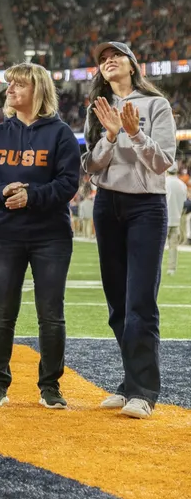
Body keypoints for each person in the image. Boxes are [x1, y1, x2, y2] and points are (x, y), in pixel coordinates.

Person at [0, 63, 80, 409]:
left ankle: (50, 386)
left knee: (51, 314)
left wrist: (32, 195)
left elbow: (68, 183)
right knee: (1, 313)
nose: (9, 91)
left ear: (38, 90)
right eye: (9, 86)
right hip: (5, 234)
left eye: (18, 85)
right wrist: (3, 192)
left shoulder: (61, 134)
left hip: (51, 236)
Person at [84, 41, 176, 419]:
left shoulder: (157, 105)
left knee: (140, 300)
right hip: (107, 205)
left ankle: (144, 390)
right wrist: (108, 135)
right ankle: (129, 383)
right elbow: (90, 166)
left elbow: (163, 162)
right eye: (103, 60)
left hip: (145, 207)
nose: (108, 62)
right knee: (118, 303)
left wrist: (135, 134)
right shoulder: (98, 109)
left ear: (133, 65)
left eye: (115, 57)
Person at [165, 165, 187, 276]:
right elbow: (183, 201)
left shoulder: (164, 182)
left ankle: (155, 269)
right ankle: (171, 269)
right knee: (173, 246)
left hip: (164, 219)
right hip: (176, 218)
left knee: (157, 248)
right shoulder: (182, 184)